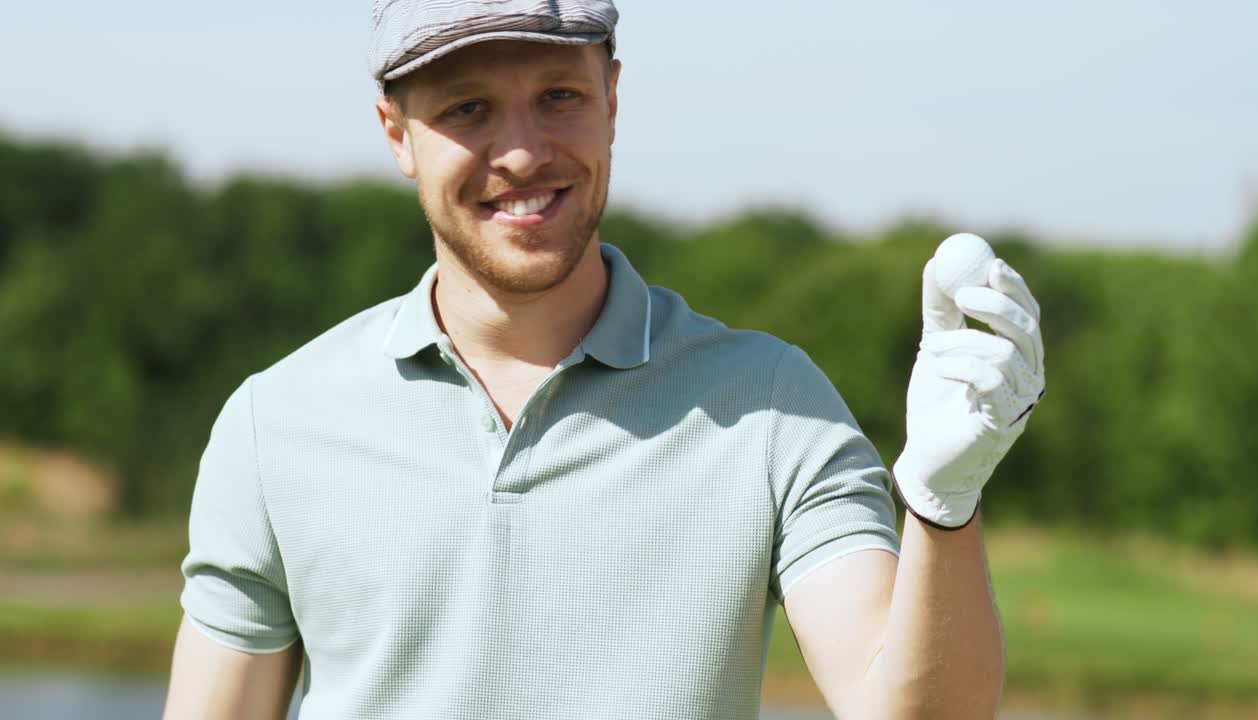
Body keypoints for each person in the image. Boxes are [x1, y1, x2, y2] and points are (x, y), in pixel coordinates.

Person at [162, 2, 1046, 718]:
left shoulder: (775, 405)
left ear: (612, 101)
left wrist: (942, 505)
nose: (522, 151)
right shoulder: (275, 424)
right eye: (467, 108)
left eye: (559, 96)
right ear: (397, 134)